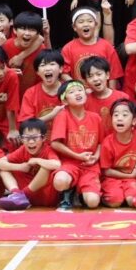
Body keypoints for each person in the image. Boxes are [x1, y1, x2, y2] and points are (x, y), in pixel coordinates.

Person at [49, 80, 103, 210]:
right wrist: (77, 156)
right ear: (65, 100)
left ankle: (80, 194)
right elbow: (55, 143)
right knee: (60, 181)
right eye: (72, 92)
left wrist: (96, 157)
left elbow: (101, 142)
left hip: (90, 166)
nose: (77, 93)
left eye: (80, 90)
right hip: (70, 164)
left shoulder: (96, 117)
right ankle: (67, 191)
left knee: (93, 202)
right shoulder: (63, 116)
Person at [0, 118, 61, 210]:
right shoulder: (23, 149)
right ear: (22, 139)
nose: (31, 142)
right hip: (27, 197)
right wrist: (20, 167)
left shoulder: (47, 150)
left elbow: (57, 164)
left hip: (45, 195)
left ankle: (22, 195)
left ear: (43, 138)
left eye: (35, 138)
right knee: (3, 169)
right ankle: (16, 193)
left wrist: (37, 160)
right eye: (26, 138)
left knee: (46, 167)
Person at [97, 99, 136, 208]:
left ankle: (126, 196)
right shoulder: (107, 142)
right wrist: (128, 175)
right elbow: (106, 171)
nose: (119, 118)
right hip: (112, 179)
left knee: (132, 201)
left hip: (132, 178)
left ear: (134, 121)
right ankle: (107, 196)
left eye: (125, 115)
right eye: (116, 115)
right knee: (115, 201)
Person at [62, 5, 122, 86]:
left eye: (90, 21)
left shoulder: (106, 46)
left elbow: (114, 74)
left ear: (96, 24)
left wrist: (111, 93)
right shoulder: (68, 48)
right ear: (74, 27)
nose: (86, 24)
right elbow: (64, 73)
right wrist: (77, 87)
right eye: (81, 22)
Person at [3, 11, 49, 97]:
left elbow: (50, 63)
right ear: (14, 30)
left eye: (32, 30)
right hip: (10, 96)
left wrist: (46, 35)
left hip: (33, 97)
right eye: (23, 29)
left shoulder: (41, 48)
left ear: (38, 34)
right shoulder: (5, 46)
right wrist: (8, 72)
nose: (27, 33)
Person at [81, 57, 130, 136]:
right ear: (85, 81)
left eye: (99, 74)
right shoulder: (84, 101)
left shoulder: (122, 97)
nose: (95, 79)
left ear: (107, 75)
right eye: (90, 76)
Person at [20, 50, 67, 124]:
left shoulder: (69, 90)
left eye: (52, 64)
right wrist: (51, 115)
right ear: (37, 72)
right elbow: (26, 125)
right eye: (43, 65)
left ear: (61, 69)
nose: (47, 68)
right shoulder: (31, 93)